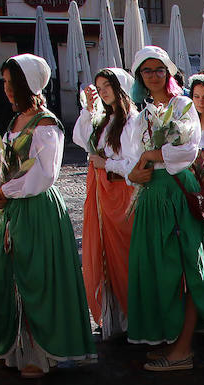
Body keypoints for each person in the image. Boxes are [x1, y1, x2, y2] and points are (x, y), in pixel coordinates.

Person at [0, 53, 96, 379]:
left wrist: (7, 192)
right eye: (4, 82)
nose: (5, 89)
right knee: (6, 278)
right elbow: (5, 166)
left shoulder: (46, 125)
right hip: (13, 209)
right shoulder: (15, 121)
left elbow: (44, 174)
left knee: (36, 279)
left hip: (36, 209)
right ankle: (8, 347)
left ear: (25, 84)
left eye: (9, 82)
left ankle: (41, 351)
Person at [122, 46, 204, 370]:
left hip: (177, 194)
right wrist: (133, 172)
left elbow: (187, 151)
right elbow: (129, 157)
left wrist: (151, 156)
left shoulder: (182, 106)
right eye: (147, 71)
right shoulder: (141, 115)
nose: (154, 76)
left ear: (169, 73)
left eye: (159, 70)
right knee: (159, 270)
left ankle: (183, 348)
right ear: (140, 76)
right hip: (152, 195)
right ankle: (170, 339)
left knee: (184, 269)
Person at [72, 66, 136, 338]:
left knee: (124, 254)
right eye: (99, 88)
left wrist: (106, 163)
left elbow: (134, 162)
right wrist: (88, 109)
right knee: (104, 253)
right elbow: (81, 139)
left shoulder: (132, 120)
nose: (103, 91)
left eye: (107, 86)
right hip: (101, 193)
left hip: (120, 193)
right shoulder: (104, 118)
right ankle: (115, 318)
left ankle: (132, 314)